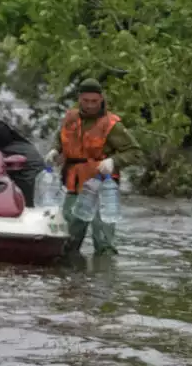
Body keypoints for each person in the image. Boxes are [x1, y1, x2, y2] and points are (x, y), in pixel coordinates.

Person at [45, 78, 142, 255]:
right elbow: (61, 139)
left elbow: (135, 152)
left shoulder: (112, 124)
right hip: (73, 185)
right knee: (67, 239)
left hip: (102, 187)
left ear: (101, 99)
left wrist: (114, 161)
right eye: (86, 101)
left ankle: (104, 277)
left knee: (103, 240)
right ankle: (70, 279)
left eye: (94, 101)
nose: (90, 105)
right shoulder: (70, 118)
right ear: (79, 99)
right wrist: (54, 149)